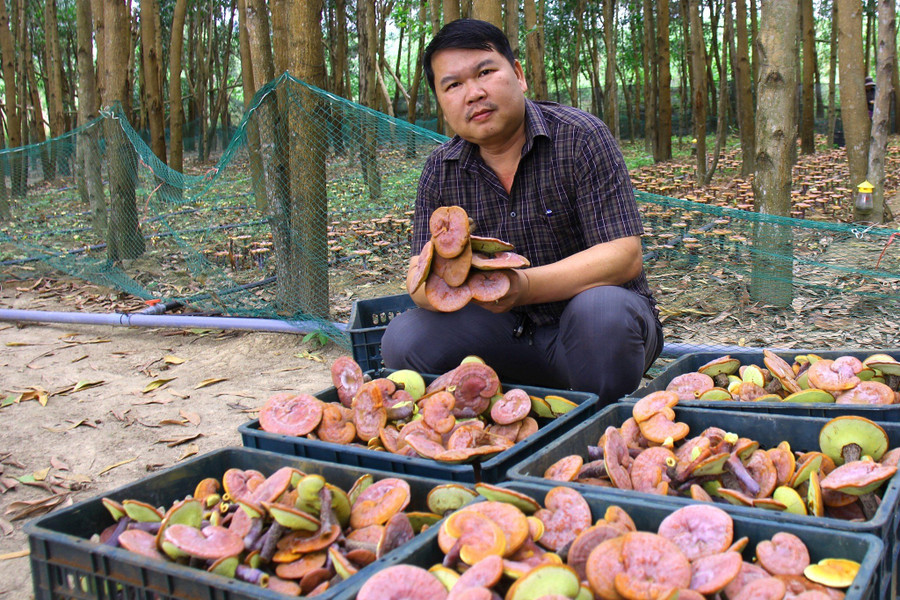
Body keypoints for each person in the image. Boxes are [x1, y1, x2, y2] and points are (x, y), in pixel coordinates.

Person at [380, 19, 663, 405]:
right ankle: (495, 409)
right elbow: (424, 281)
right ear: (441, 102)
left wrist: (522, 286)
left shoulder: (581, 136)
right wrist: (430, 287)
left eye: (485, 72)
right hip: (502, 342)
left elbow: (623, 256)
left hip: (588, 338)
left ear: (517, 74)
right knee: (404, 337)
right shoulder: (440, 169)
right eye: (453, 85)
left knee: (602, 314)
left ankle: (599, 415)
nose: (474, 93)